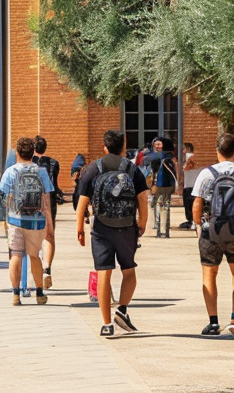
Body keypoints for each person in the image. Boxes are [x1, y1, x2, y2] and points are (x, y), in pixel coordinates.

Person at [75, 129, 149, 337]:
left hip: (101, 227)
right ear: (123, 147)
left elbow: (83, 200)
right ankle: (122, 309)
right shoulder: (132, 169)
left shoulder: (93, 168)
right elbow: (143, 199)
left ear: (104, 146)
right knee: (129, 270)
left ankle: (107, 323)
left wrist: (79, 226)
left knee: (104, 273)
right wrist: (141, 223)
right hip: (126, 227)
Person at [191, 133, 234, 338]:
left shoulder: (206, 173)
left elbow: (197, 203)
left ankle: (213, 323)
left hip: (212, 231)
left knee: (209, 275)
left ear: (217, 150)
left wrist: (197, 226)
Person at [0, 137, 55, 306]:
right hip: (36, 221)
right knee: (34, 256)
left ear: (17, 153)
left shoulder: (11, 172)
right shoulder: (41, 172)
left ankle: (16, 294)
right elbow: (46, 200)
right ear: (33, 153)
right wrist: (50, 225)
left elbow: (4, 196)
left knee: (15, 254)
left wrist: (6, 219)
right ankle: (39, 293)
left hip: (16, 219)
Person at [32, 135, 64, 288]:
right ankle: (46, 269)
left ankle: (33, 272)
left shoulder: (27, 163)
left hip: (30, 202)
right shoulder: (53, 163)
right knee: (49, 235)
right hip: (48, 201)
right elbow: (54, 185)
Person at [144, 137, 179, 238]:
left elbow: (147, 165)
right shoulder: (171, 157)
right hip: (170, 184)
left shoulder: (155, 156)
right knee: (167, 207)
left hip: (158, 184)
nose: (157, 146)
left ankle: (160, 231)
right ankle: (166, 231)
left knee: (159, 206)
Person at [180, 142, 198, 232]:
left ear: (186, 149)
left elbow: (187, 168)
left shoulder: (189, 156)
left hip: (190, 184)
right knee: (189, 203)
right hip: (190, 183)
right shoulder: (187, 157)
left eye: (183, 149)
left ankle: (192, 221)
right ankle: (191, 221)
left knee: (189, 203)